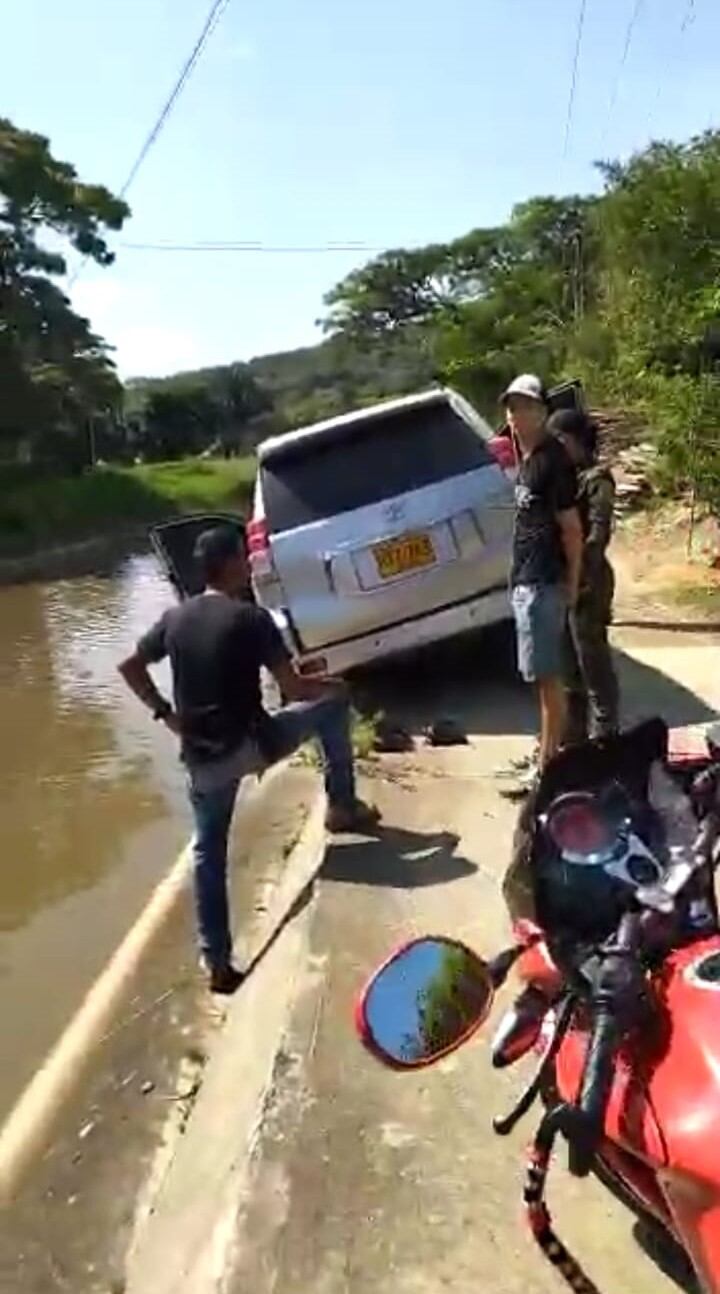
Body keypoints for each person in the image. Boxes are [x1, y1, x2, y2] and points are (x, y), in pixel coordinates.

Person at [118, 523, 379, 994]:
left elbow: (129, 667)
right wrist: (335, 685)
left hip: (202, 758)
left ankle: (218, 964)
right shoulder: (252, 619)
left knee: (208, 853)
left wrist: (166, 715)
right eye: (245, 556)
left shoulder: (174, 619)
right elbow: (296, 689)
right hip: (255, 745)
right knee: (333, 704)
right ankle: (342, 806)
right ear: (234, 564)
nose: (250, 564)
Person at [501, 375, 583, 790]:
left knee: (549, 678)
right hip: (528, 581)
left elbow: (571, 527)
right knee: (540, 677)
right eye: (512, 407)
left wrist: (572, 582)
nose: (516, 415)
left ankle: (550, 766)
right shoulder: (529, 459)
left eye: (525, 407)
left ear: (543, 411)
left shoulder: (552, 459)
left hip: (545, 582)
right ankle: (545, 751)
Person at [548, 408, 620, 745]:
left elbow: (599, 532)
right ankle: (573, 746)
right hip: (564, 584)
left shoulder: (596, 479)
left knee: (593, 668)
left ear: (574, 440)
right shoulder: (564, 479)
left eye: (560, 440)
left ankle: (606, 741)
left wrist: (581, 572)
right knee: (569, 674)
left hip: (589, 583)